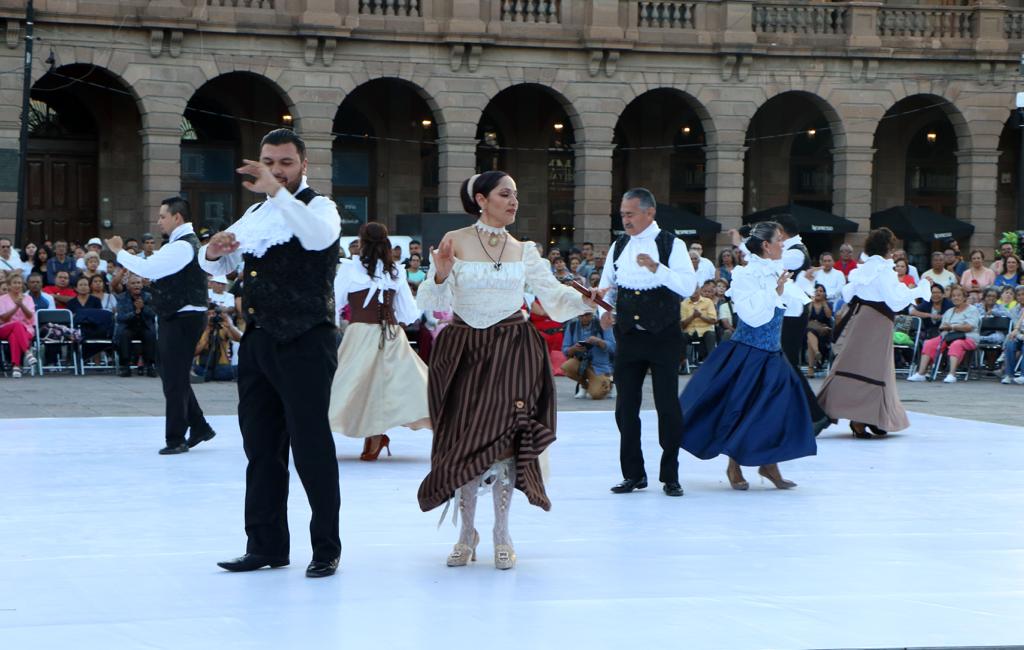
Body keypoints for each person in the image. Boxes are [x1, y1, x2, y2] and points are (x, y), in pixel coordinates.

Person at [416, 170, 598, 570]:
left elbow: (551, 295)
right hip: (464, 350)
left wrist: (589, 302)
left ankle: (501, 531)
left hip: (513, 350)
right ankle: (466, 532)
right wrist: (442, 272)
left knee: (506, 441)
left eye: (515, 194)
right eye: (505, 194)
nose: (514, 201)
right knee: (464, 442)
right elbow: (429, 299)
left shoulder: (524, 249)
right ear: (481, 199)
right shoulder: (455, 242)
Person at [200, 129, 342, 578]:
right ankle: (265, 545)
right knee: (260, 447)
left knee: (311, 445)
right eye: (269, 161)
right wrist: (212, 251)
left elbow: (317, 239)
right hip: (259, 339)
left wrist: (278, 192)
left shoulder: (320, 208)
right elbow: (218, 265)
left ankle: (325, 549)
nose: (276, 169)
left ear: (304, 165)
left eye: (285, 162)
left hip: (306, 338)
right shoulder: (257, 213)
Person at [679, 221, 816, 491]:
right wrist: (774, 292)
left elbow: (793, 307)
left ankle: (769, 463)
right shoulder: (745, 275)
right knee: (740, 408)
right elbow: (752, 317)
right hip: (748, 352)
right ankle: (735, 464)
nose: (783, 244)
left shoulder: (776, 270)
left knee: (778, 409)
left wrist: (793, 292)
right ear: (767, 245)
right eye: (779, 240)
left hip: (772, 353)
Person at [598, 188, 696, 498]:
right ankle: (633, 474)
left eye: (629, 214)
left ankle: (670, 475)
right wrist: (601, 307)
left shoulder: (672, 244)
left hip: (663, 336)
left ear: (649, 213)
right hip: (628, 336)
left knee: (668, 406)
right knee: (625, 407)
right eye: (622, 214)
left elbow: (688, 285)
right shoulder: (619, 245)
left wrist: (656, 268)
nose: (624, 219)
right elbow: (606, 287)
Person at [106, 197, 218, 455]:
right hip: (178, 315)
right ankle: (199, 426)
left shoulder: (182, 246)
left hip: (183, 317)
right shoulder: (180, 245)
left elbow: (148, 268)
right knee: (169, 372)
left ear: (177, 217)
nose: (158, 221)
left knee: (174, 380)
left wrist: (119, 251)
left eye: (162, 216)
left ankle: (176, 438)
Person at [328, 222, 430, 462]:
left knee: (361, 384)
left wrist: (330, 325)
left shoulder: (359, 269)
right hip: (388, 333)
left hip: (368, 333)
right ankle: (375, 435)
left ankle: (375, 435)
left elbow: (333, 302)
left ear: (362, 243)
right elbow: (408, 312)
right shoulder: (391, 270)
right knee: (380, 385)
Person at [817, 228, 932, 437]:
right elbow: (895, 300)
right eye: (892, 246)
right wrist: (920, 289)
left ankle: (869, 417)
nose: (894, 251)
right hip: (877, 322)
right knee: (875, 369)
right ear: (887, 247)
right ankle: (862, 419)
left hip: (862, 318)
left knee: (854, 364)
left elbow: (848, 292)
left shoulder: (865, 268)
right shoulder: (882, 270)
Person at [907, 284, 980, 383]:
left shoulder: (972, 310)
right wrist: (945, 328)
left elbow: (969, 327)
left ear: (964, 297)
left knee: (956, 344)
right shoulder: (949, 311)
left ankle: (952, 374)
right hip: (949, 336)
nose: (956, 298)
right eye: (953, 296)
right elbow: (942, 326)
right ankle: (921, 373)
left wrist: (952, 327)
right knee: (929, 343)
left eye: (959, 295)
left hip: (967, 337)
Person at [561, 309, 616, 400]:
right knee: (567, 367)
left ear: (592, 314)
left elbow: (613, 347)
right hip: (582, 362)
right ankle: (584, 385)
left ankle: (610, 383)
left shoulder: (603, 323)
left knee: (596, 395)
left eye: (587, 314)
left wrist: (598, 341)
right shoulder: (572, 325)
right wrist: (574, 348)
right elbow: (565, 350)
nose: (584, 317)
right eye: (581, 315)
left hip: (599, 366)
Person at [114, 275, 157, 377]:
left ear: (142, 285)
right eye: (133, 283)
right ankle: (125, 366)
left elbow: (153, 314)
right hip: (128, 326)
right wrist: (136, 312)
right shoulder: (122, 297)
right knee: (124, 335)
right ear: (128, 286)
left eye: (138, 283)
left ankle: (150, 366)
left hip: (144, 325)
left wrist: (143, 308)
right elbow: (121, 317)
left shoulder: (148, 296)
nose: (136, 285)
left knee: (150, 334)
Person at [0, 274, 38, 377]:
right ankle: (27, 352)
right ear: (9, 285)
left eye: (19, 283)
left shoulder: (28, 298)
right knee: (17, 324)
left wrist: (22, 305)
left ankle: (16, 367)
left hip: (26, 329)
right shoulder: (2, 299)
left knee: (14, 335)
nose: (17, 285)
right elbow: (4, 318)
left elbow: (30, 316)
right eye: (14, 283)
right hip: (4, 328)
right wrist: (17, 306)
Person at [680, 280, 718, 372]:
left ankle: (712, 366)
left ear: (699, 290)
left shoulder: (708, 302)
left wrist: (700, 315)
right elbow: (682, 324)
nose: (693, 291)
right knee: (680, 336)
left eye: (695, 288)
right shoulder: (684, 303)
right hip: (690, 331)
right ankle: (683, 364)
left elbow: (713, 320)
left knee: (711, 335)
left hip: (705, 331)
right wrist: (693, 316)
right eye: (691, 289)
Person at [804, 284, 833, 379]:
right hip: (811, 331)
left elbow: (829, 316)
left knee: (810, 335)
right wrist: (811, 302)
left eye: (821, 291)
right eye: (816, 291)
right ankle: (817, 353)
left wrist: (824, 302)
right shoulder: (809, 304)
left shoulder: (828, 304)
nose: (818, 293)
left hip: (823, 332)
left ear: (824, 293)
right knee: (809, 334)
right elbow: (806, 318)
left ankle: (810, 369)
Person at [1002, 305, 1024, 384]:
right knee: (1010, 344)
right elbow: (1019, 323)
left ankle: (1023, 375)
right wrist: (1015, 330)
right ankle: (1009, 375)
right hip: (1021, 336)